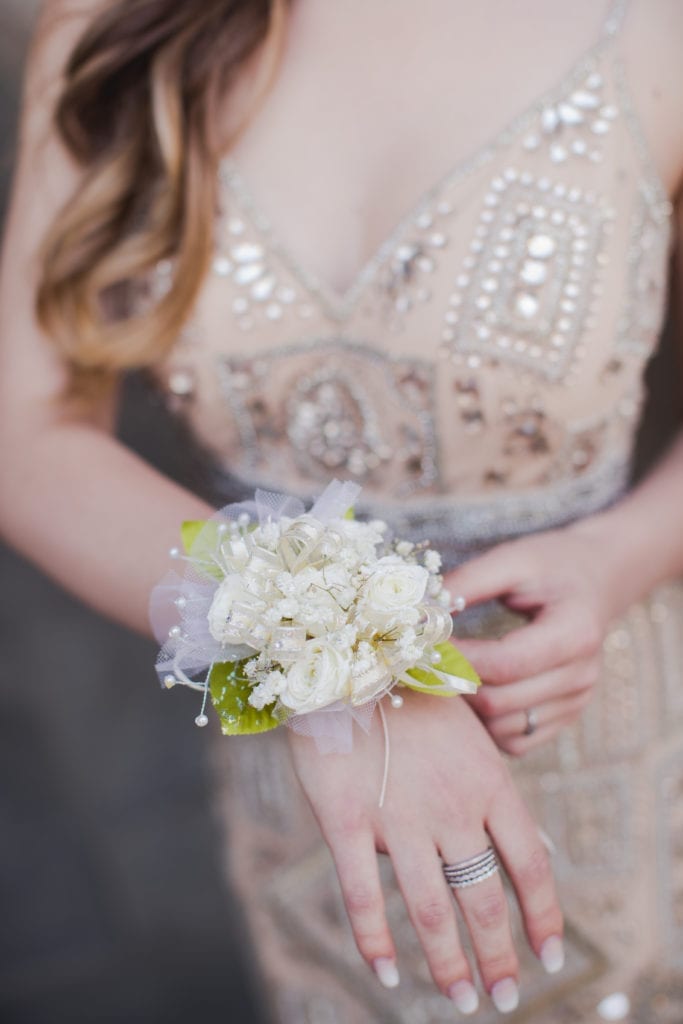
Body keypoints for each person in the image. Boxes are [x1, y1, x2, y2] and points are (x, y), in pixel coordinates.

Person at [1, 0, 682, 1020]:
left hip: (597, 751)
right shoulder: (114, 22)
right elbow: (25, 435)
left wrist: (617, 551)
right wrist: (342, 682)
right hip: (307, 794)